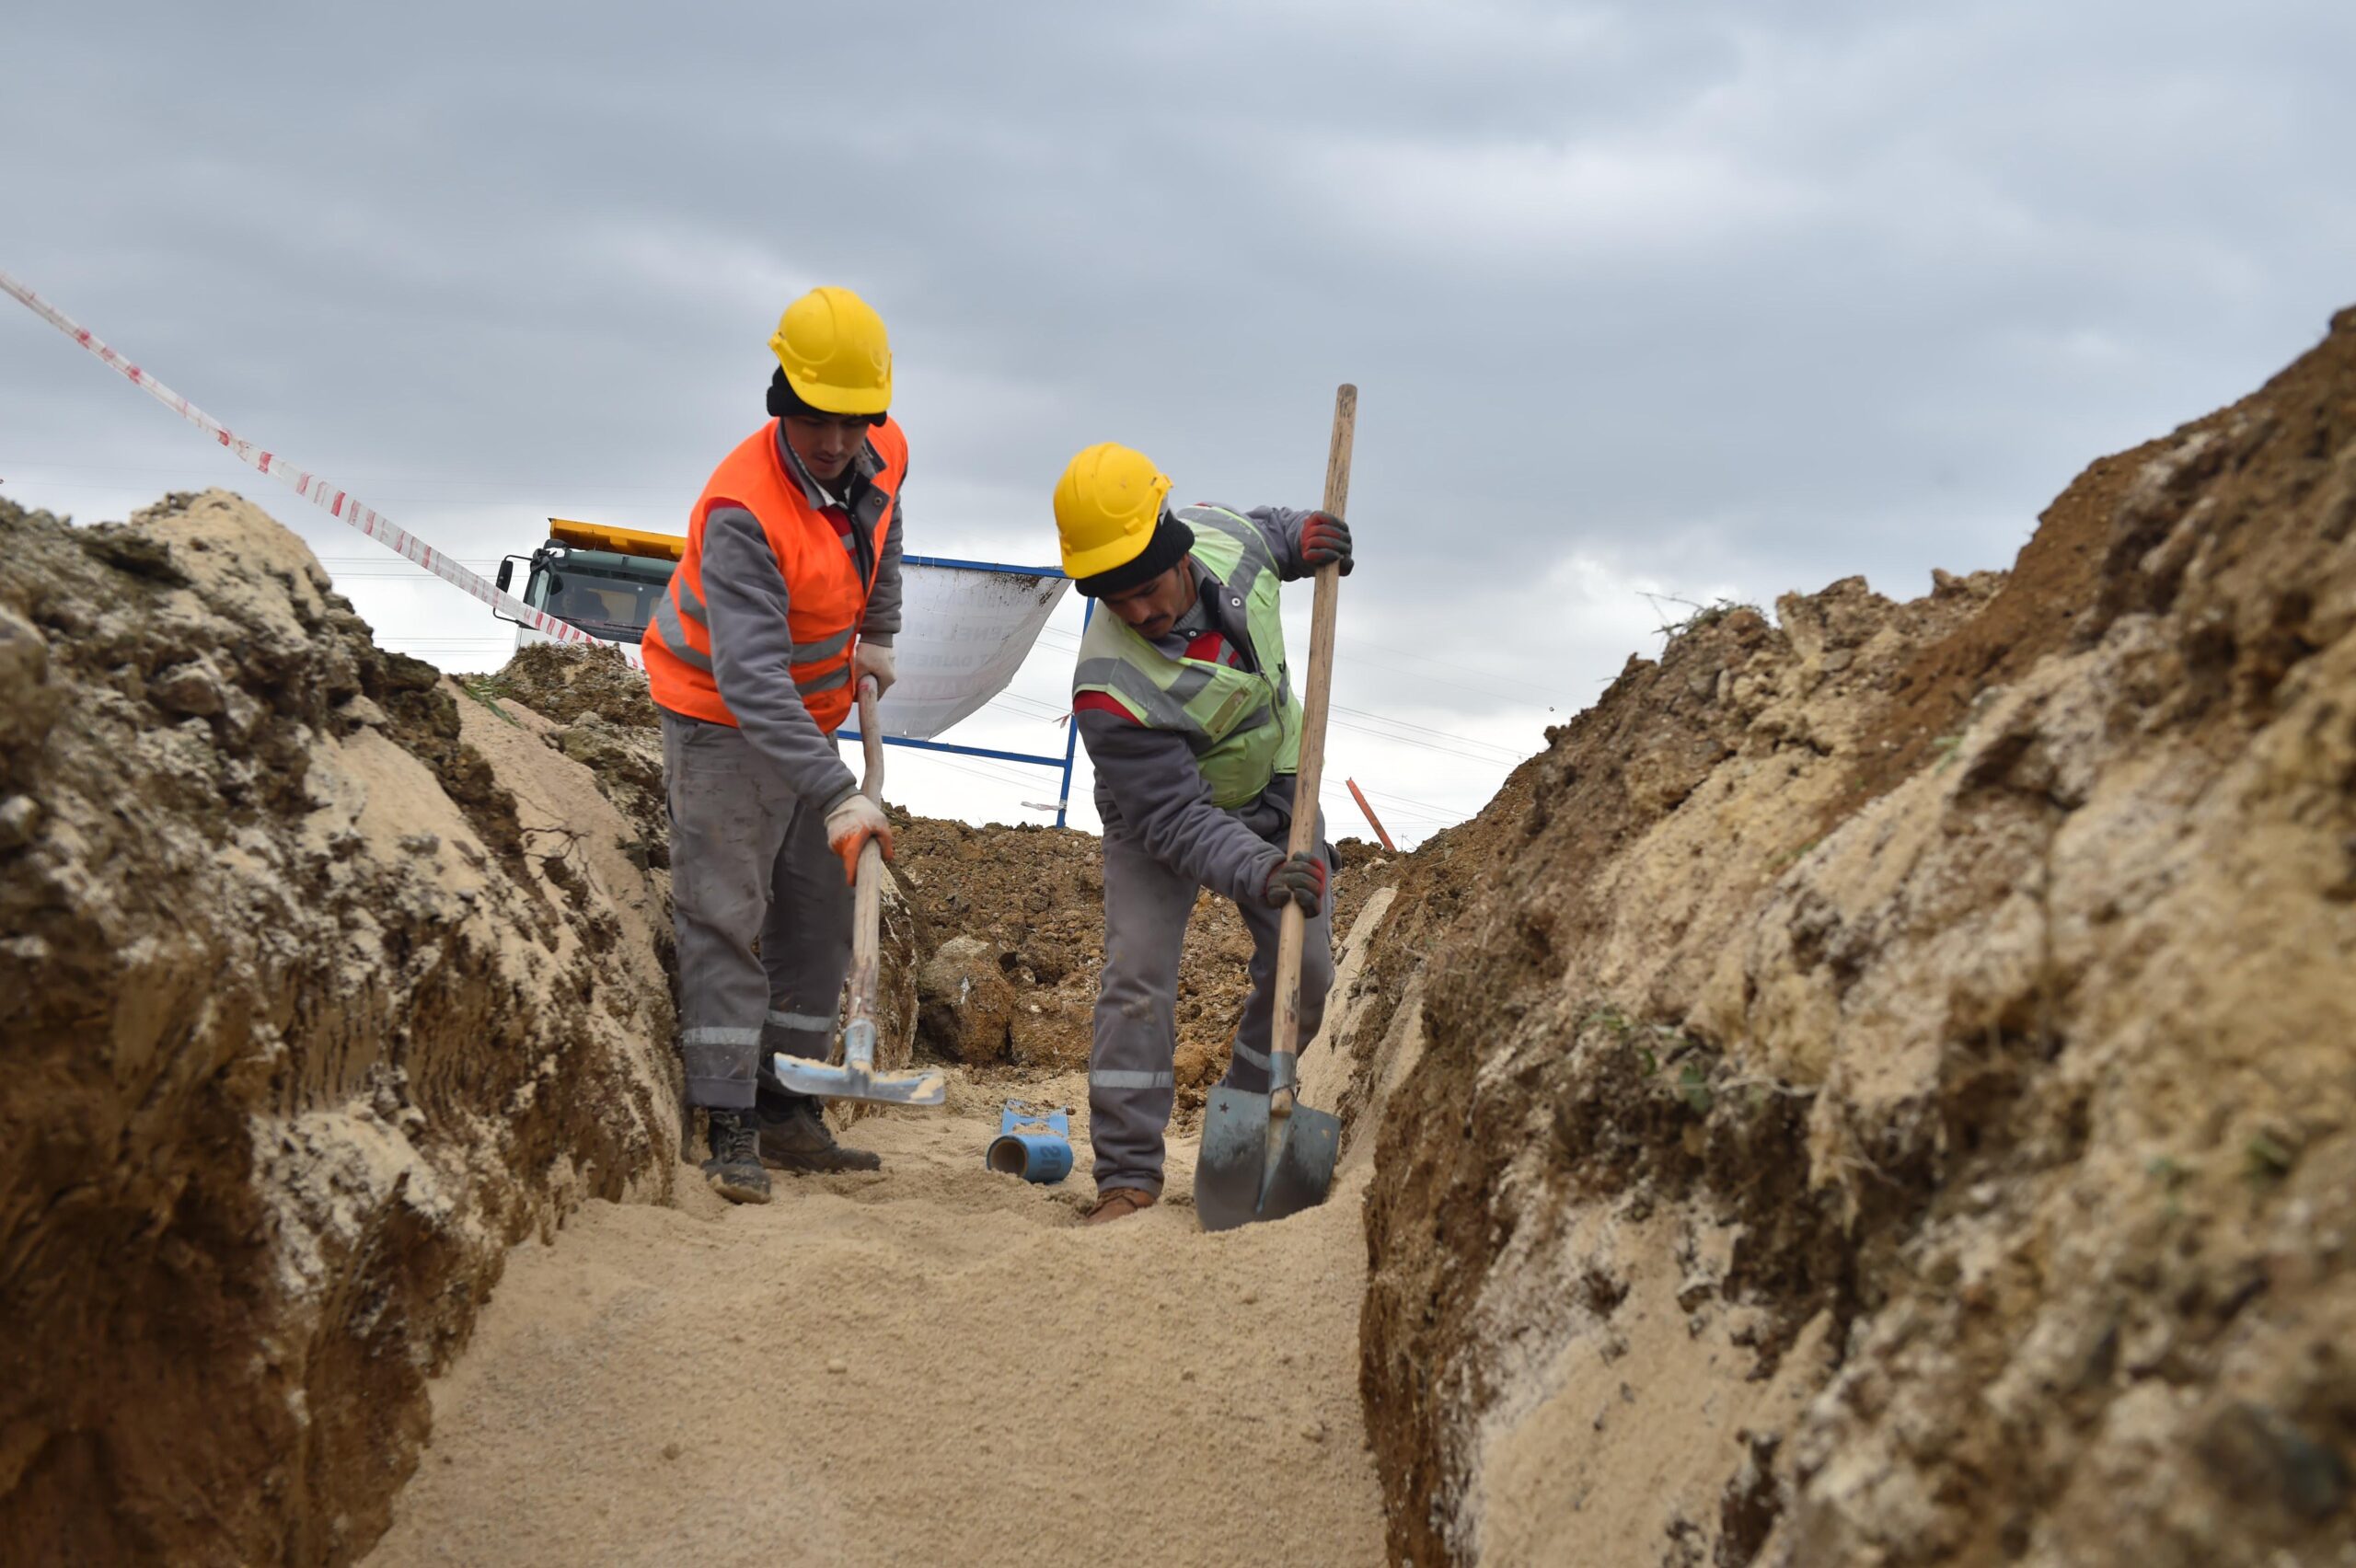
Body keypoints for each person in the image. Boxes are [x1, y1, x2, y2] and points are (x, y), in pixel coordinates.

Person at [641, 286, 907, 1203]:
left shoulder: (882, 453)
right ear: (779, 399)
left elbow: (884, 527)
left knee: (817, 913)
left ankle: (789, 1103)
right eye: (813, 420)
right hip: (720, 713)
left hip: (814, 712)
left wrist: (879, 628)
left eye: (851, 422)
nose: (834, 442)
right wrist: (839, 792)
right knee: (729, 908)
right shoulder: (741, 511)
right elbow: (751, 681)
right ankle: (729, 1119)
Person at [1050, 443, 1356, 1224]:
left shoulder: (1230, 542)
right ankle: (1126, 1175)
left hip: (1283, 781)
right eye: (1116, 601)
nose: (1141, 613)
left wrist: (1305, 536)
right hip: (1158, 818)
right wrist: (1258, 870)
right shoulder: (1107, 691)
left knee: (1309, 973)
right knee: (1136, 981)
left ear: (1176, 548)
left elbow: (1269, 532)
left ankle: (1246, 1129)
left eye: (1148, 589)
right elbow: (1176, 821)